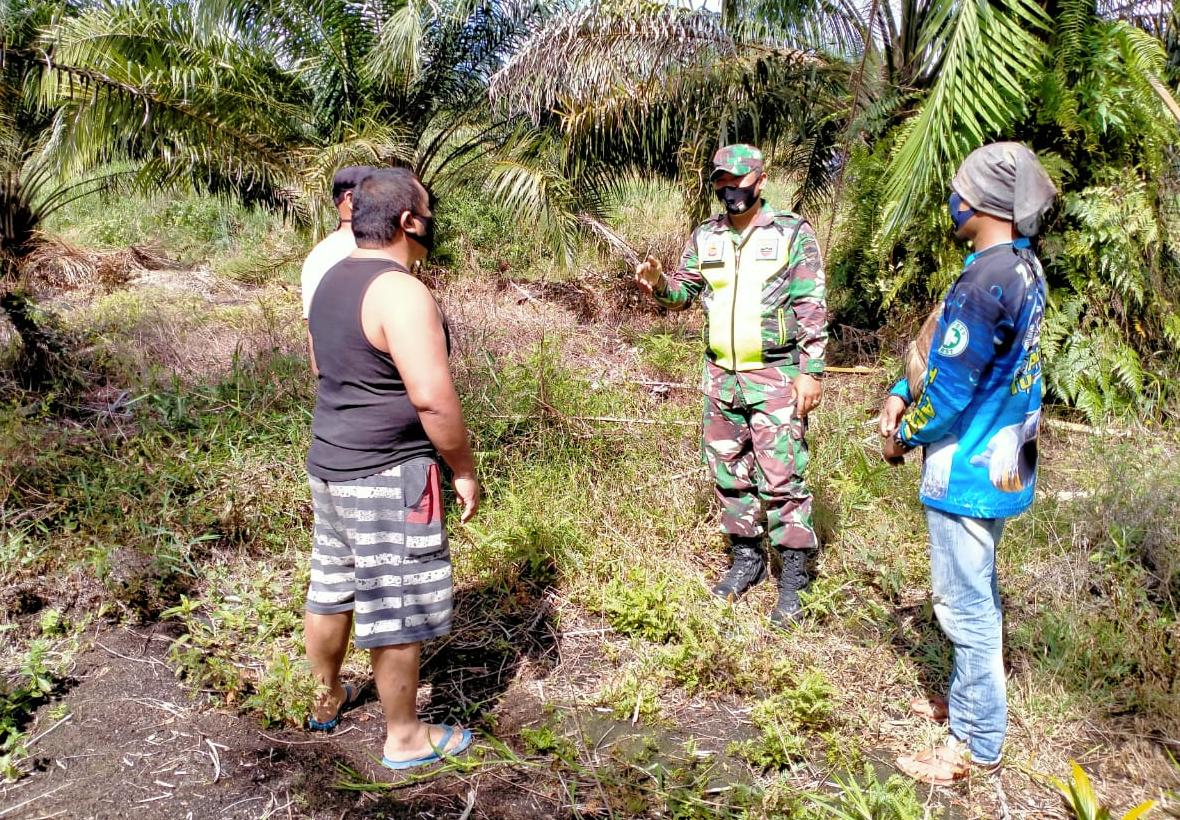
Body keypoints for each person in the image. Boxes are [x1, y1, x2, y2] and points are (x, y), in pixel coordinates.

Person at [879, 142, 1056, 784]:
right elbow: (944, 351)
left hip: (967, 467)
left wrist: (902, 435)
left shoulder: (986, 280)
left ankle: (973, 745)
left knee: (964, 607)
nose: (950, 199)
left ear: (981, 201)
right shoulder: (1021, 268)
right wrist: (903, 389)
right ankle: (975, 722)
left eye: (957, 189)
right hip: (1007, 460)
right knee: (979, 594)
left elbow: (950, 391)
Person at [303, 167, 480, 770]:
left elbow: (323, 370)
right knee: (395, 596)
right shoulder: (400, 290)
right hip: (387, 472)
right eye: (426, 213)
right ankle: (404, 736)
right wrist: (462, 466)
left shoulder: (330, 279)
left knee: (333, 585)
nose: (431, 223)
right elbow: (432, 397)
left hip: (329, 462)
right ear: (408, 221)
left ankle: (327, 699)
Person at [635, 144, 828, 627]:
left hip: (777, 377)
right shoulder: (706, 237)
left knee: (782, 478)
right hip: (721, 379)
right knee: (729, 475)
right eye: (722, 182)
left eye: (738, 182)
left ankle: (794, 579)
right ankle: (747, 559)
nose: (729, 191)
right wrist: (659, 283)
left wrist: (812, 370)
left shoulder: (791, 234)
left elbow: (812, 306)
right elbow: (683, 294)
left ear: (760, 182)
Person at [300, 165, 373, 319]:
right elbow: (318, 326)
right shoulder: (327, 255)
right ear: (351, 199)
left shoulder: (319, 254)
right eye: (378, 194)